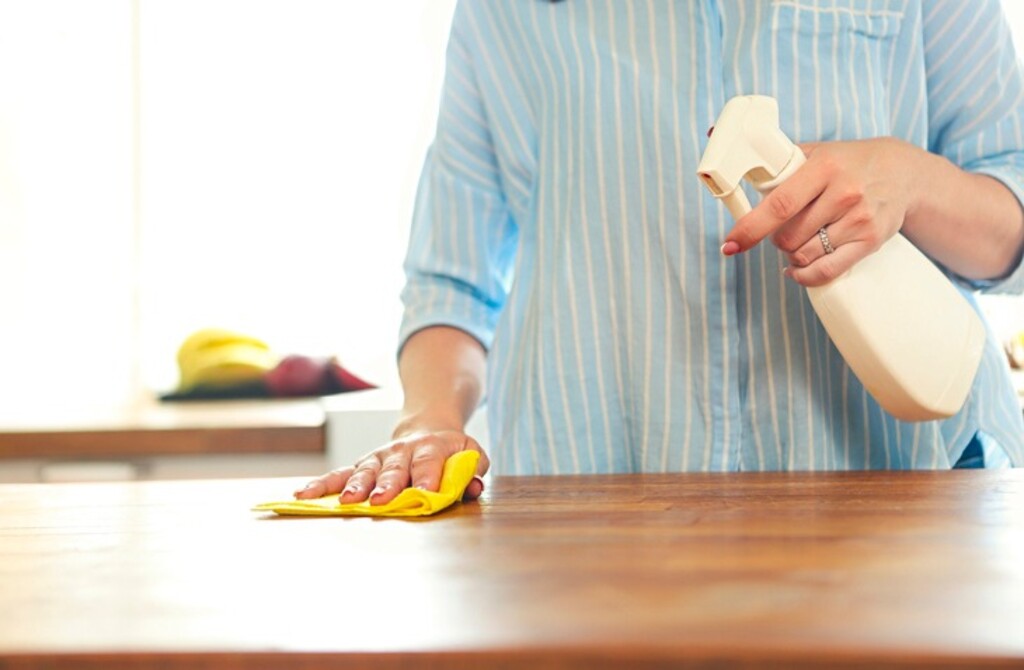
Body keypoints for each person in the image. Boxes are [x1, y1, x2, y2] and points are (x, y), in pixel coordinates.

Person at [297, 0, 1024, 505]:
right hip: (592, 525)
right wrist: (429, 421)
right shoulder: (503, 13)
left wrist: (913, 180)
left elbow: (1007, 227)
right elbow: (451, 282)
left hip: (910, 502)